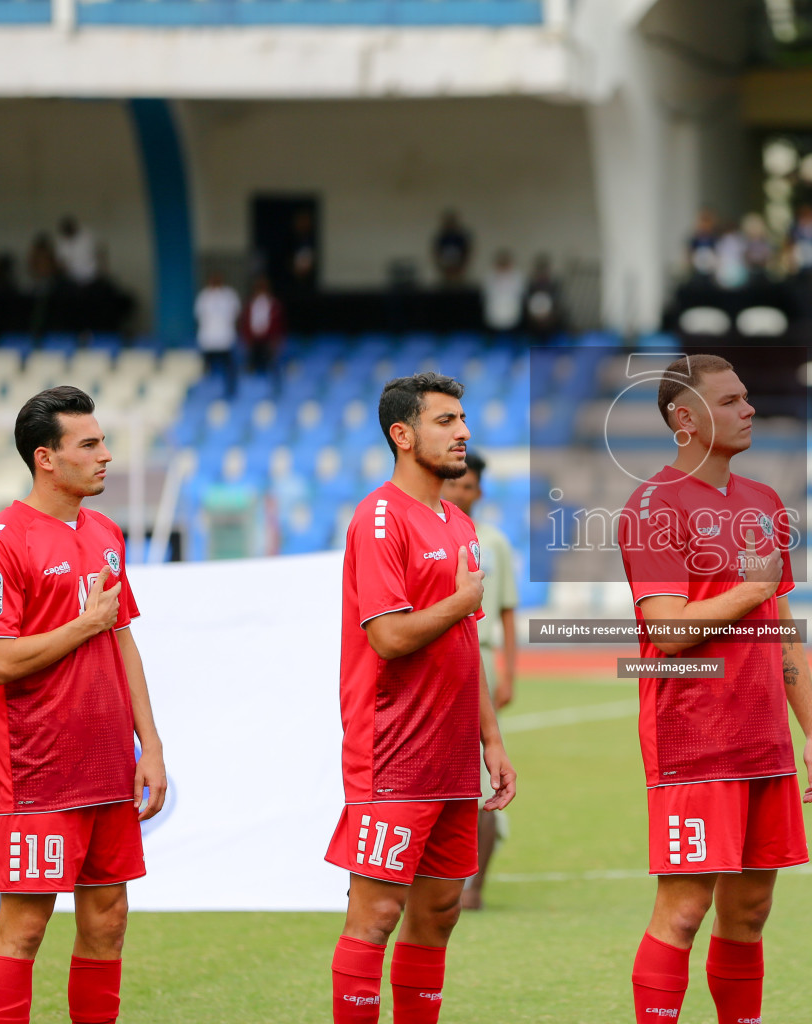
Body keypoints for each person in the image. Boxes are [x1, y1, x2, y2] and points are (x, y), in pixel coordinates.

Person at [618, 353, 812, 1024]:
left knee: (751, 911)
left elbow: (781, 627)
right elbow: (670, 633)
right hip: (694, 739)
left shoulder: (764, 502)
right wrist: (750, 588)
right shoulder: (651, 506)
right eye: (733, 400)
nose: (749, 410)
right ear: (685, 419)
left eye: (747, 398)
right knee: (684, 911)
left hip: (763, 737)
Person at [0, 385, 167, 1024]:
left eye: (102, 440)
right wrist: (84, 624)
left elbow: (122, 637)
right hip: (41, 770)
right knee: (25, 930)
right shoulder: (0, 543)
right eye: (90, 444)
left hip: (109, 765)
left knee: (108, 921)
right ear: (45, 458)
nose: (106, 455)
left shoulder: (106, 531)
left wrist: (151, 745)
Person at [325, 372, 516, 1024]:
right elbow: (387, 636)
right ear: (402, 436)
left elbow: (465, 642)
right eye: (445, 421)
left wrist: (491, 738)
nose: (462, 432)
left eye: (462, 419)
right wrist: (460, 602)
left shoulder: (458, 522)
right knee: (377, 915)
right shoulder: (379, 519)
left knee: (438, 914)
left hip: (454, 755)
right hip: (395, 753)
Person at [441, 451, 520, 910]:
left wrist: (510, 669)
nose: (461, 493)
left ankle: (474, 890)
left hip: (481, 656)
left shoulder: (493, 543)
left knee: (484, 773)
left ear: (479, 491)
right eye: (455, 485)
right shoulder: (434, 533)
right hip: (439, 655)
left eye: (469, 486)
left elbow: (507, 610)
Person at [194, 272, 241, 399]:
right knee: (206, 369)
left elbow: (235, 314)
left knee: (229, 368)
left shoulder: (229, 295)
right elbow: (199, 316)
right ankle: (206, 393)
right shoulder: (203, 296)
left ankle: (230, 392)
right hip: (208, 340)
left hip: (225, 339)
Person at [240, 276, 286, 385]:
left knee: (270, 367)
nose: (261, 291)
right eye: (259, 288)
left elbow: (280, 324)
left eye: (263, 288)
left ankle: (273, 390)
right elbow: (245, 323)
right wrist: (246, 339)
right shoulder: (250, 304)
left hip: (269, 341)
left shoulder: (274, 304)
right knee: (251, 368)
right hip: (253, 341)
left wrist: (277, 340)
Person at [481, 250, 525, 333]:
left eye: (505, 263)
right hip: (493, 318)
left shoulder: (517, 277)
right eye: (501, 264)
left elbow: (521, 296)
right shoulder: (490, 276)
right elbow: (486, 296)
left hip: (513, 318)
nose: (503, 266)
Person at [54, 216, 98, 287]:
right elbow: (61, 262)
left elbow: (97, 252)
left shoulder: (86, 236)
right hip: (72, 280)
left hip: (90, 277)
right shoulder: (61, 242)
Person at [432, 210, 473, 287]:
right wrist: (442, 265)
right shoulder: (442, 237)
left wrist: (461, 266)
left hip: (459, 265)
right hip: (445, 265)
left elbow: (466, 252)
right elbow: (436, 253)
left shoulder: (460, 237)